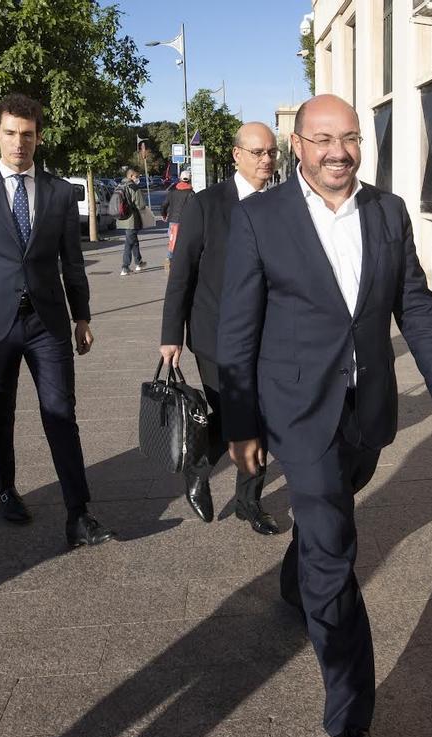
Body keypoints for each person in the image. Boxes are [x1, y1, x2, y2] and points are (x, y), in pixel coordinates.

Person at [218, 94, 432, 737]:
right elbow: (236, 330)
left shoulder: (387, 212)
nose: (340, 151)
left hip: (369, 412)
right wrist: (238, 424)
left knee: (327, 512)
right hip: (298, 414)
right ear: (297, 145)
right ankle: (350, 717)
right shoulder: (259, 218)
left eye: (352, 137)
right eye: (324, 139)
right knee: (335, 551)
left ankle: (296, 572)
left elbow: (413, 303)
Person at [0, 93, 115, 550]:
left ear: (39, 138)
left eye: (29, 134)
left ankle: (78, 514)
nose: (20, 143)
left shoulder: (60, 193)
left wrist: (82, 316)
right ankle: (5, 488)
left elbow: (72, 263)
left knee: (61, 414)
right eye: (12, 133)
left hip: (47, 323)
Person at [159, 123, 280, 535]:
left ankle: (249, 502)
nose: (267, 160)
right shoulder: (205, 205)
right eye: (258, 152)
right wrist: (170, 335)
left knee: (258, 418)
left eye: (272, 153)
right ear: (236, 155)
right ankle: (199, 466)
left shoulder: (281, 205)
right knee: (234, 417)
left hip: (267, 335)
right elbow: (182, 274)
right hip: (215, 336)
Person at [116, 167, 148, 276]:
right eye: (137, 176)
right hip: (131, 219)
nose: (138, 179)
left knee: (133, 240)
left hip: (122, 218)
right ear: (131, 176)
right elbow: (141, 205)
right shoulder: (133, 187)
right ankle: (125, 267)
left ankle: (138, 262)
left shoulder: (120, 186)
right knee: (129, 243)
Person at [159, 169, 194, 271]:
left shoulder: (172, 192)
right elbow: (194, 208)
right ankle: (181, 262)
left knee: (172, 240)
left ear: (180, 179)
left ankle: (169, 258)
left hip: (173, 220)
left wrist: (164, 215)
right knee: (183, 242)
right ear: (190, 180)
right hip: (185, 221)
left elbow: (164, 205)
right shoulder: (191, 193)